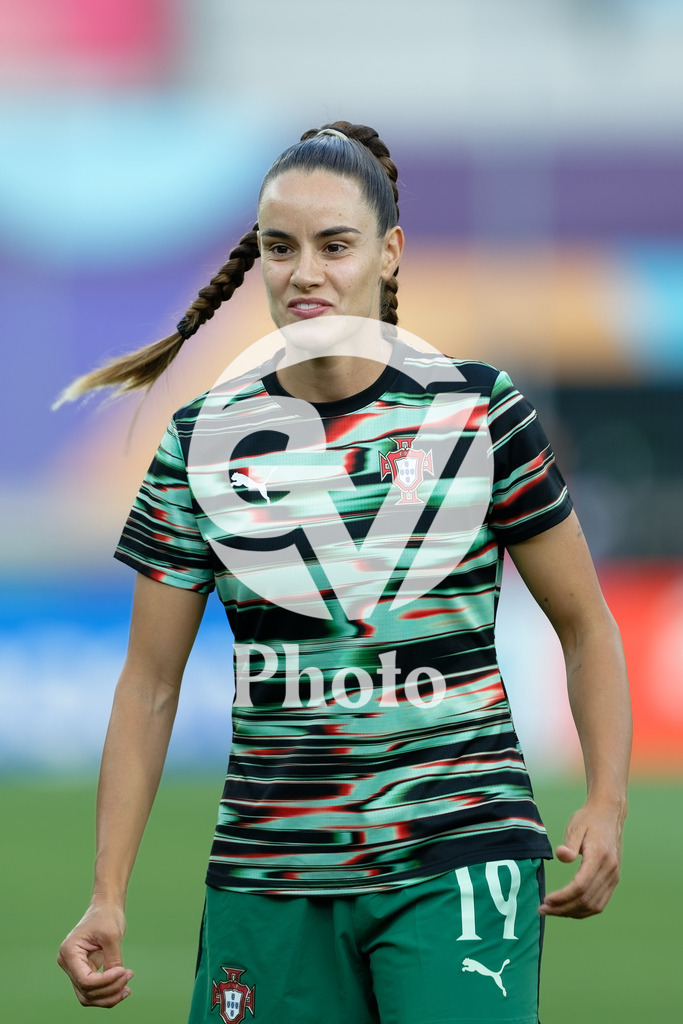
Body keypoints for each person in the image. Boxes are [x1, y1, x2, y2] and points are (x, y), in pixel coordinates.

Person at [57, 121, 631, 1024]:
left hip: (458, 856)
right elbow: (149, 685)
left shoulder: (478, 413)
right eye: (280, 249)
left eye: (334, 246)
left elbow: (585, 625)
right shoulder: (202, 442)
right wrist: (106, 892)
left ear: (389, 253)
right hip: (270, 877)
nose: (304, 272)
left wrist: (605, 800)